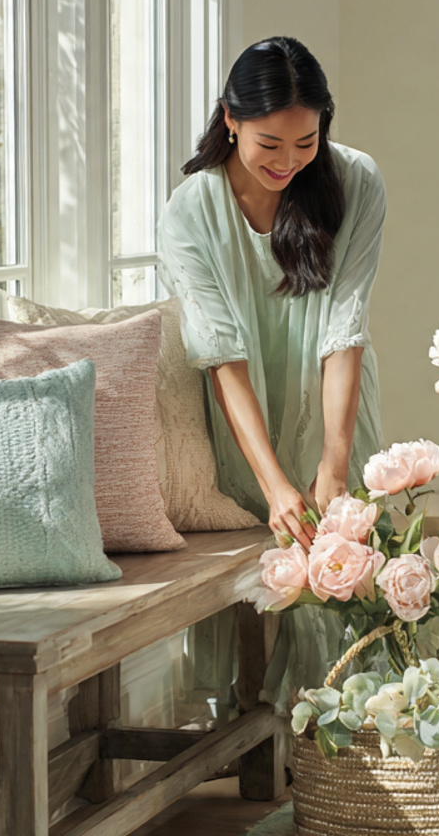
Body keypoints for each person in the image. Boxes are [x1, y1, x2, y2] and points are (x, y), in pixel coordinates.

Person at [157, 36, 386, 712]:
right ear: (230, 119)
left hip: (336, 407)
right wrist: (275, 482)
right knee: (270, 580)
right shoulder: (190, 212)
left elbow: (345, 328)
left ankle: (343, 748)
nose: (287, 161)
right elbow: (220, 355)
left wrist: (333, 464)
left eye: (305, 142)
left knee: (344, 581)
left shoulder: (356, 182)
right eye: (269, 144)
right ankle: (250, 739)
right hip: (244, 419)